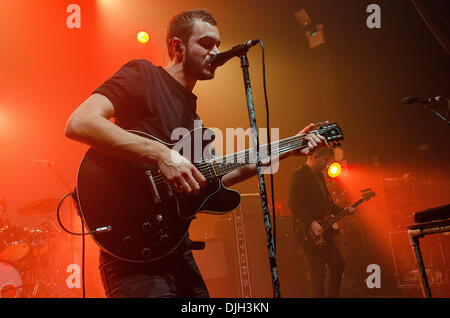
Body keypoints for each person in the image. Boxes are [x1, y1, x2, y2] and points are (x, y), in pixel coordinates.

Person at [65, 8, 328, 298]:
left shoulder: (192, 117)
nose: (216, 52)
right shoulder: (143, 74)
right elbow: (80, 122)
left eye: (218, 44)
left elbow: (218, 176)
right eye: (206, 44)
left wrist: (288, 149)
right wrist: (163, 155)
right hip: (132, 252)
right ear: (177, 47)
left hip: (175, 247)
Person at [288, 147, 355, 298]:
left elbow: (328, 204)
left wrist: (344, 210)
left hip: (324, 229)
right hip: (308, 232)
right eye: (325, 160)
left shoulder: (319, 176)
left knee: (338, 264)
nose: (326, 164)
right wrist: (311, 222)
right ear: (313, 156)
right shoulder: (299, 176)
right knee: (317, 270)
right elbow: (294, 204)